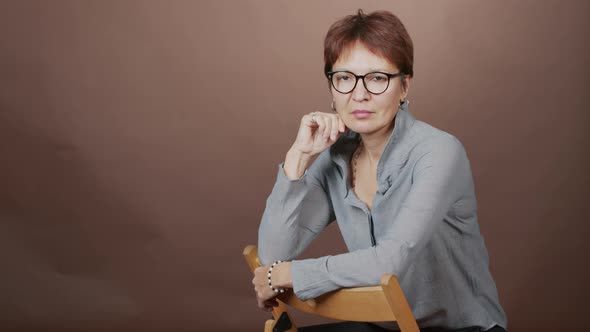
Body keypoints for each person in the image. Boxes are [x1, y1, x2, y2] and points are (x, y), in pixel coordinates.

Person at [252, 9, 507, 332]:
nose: (359, 94)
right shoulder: (337, 158)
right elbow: (273, 254)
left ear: (404, 86)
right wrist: (297, 158)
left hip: (463, 328)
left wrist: (287, 275)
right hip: (388, 326)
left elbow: (390, 261)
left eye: (377, 78)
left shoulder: (440, 152)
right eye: (344, 78)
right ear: (332, 88)